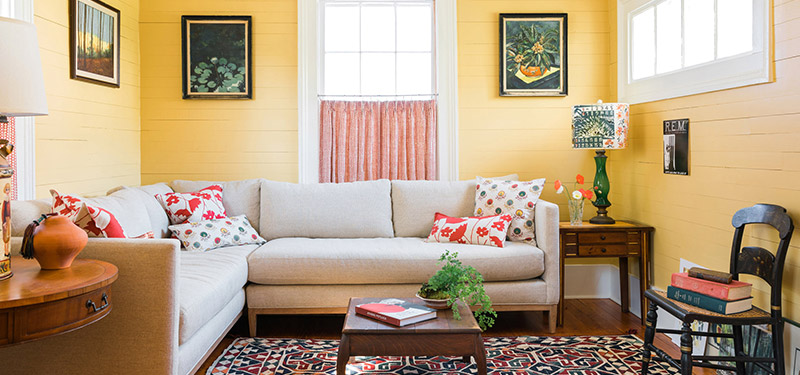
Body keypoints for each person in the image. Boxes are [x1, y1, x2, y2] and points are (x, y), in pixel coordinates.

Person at [2, 183, 10, 256]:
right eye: (7, 189)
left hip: (9, 219)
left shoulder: (9, 200)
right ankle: (5, 251)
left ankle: (8, 250)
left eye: (9, 189)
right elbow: (3, 212)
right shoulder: (5, 201)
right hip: (6, 219)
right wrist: (4, 221)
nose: (8, 191)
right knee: (5, 235)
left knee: (8, 235)